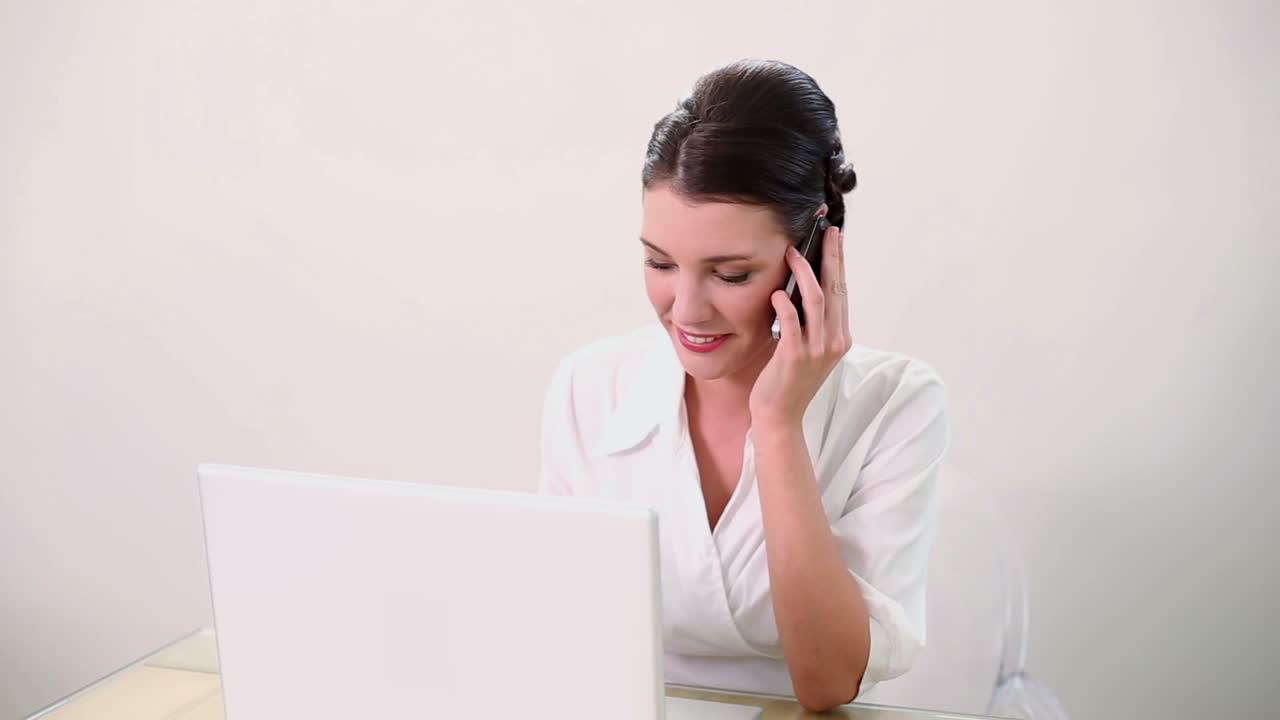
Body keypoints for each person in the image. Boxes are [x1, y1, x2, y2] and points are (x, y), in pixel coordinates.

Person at [537, 58, 950, 713]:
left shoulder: (896, 403)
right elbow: (558, 635)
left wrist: (779, 426)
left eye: (730, 274)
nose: (687, 309)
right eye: (659, 263)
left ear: (810, 249)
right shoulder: (590, 386)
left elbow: (827, 681)